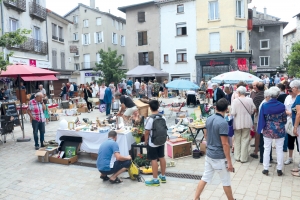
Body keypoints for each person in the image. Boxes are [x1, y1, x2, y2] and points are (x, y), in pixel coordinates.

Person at [194, 98, 234, 200]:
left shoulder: (209, 118)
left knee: (205, 178)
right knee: (226, 181)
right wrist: (229, 162)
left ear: (216, 108)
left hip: (209, 154)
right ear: (226, 109)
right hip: (219, 156)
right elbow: (225, 144)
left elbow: (206, 134)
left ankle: (196, 198)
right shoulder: (223, 122)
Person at [257, 87, 287, 176]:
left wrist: (260, 129)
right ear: (278, 95)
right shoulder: (282, 106)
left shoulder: (265, 105)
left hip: (268, 129)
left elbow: (261, 118)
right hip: (279, 130)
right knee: (279, 149)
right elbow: (284, 119)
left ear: (269, 95)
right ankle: (279, 169)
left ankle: (265, 169)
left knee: (267, 148)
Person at [144, 100, 167, 186]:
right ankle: (163, 176)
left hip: (152, 142)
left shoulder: (150, 119)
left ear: (150, 108)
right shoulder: (163, 117)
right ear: (158, 107)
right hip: (161, 141)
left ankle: (155, 179)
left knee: (153, 159)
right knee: (162, 157)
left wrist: (146, 141)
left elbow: (147, 132)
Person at [230, 86, 255, 163]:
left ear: (239, 92)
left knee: (237, 139)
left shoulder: (235, 101)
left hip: (237, 122)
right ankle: (243, 158)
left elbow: (233, 113)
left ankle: (237, 156)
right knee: (245, 139)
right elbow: (252, 110)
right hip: (247, 121)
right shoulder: (250, 100)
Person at [284, 88, 299, 166]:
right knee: (290, 139)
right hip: (289, 121)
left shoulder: (298, 98)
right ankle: (290, 157)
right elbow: (284, 108)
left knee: (298, 142)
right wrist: (288, 112)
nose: (289, 92)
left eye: (291, 90)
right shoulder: (287, 98)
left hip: (297, 122)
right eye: (288, 91)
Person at [250, 82, 265, 160]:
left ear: (257, 88)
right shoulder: (266, 95)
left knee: (257, 134)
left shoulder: (256, 97)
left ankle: (256, 151)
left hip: (258, 116)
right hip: (266, 116)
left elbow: (255, 109)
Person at [290, 80, 300, 176]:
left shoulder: (299, 98)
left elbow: (298, 114)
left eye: (292, 87)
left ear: (296, 88)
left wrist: (295, 127)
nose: (291, 89)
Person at [277, 83, 289, 152]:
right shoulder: (287, 96)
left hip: (279, 116)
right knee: (286, 131)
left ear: (280, 89)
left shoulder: (278, 97)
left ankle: (282, 146)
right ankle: (285, 146)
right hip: (286, 115)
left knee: (282, 131)